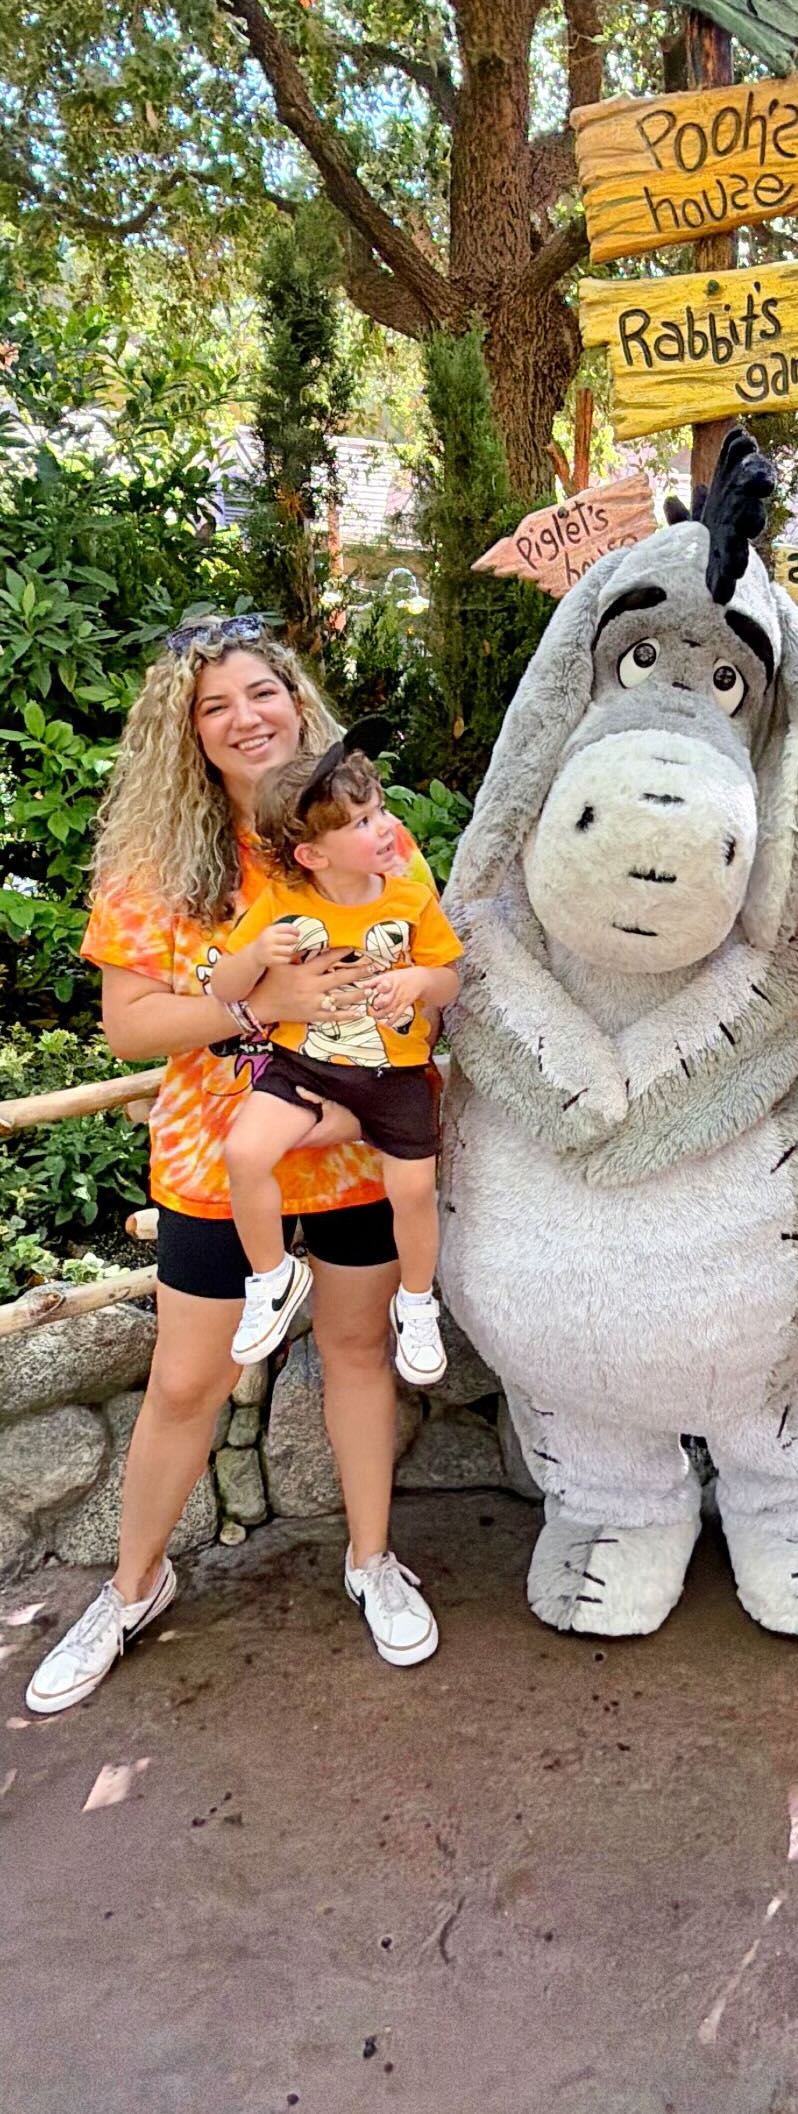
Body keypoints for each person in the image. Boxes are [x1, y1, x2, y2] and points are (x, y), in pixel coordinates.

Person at [26, 615, 441, 1716]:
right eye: (216, 706)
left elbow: (430, 967)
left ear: (298, 700)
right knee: (183, 1381)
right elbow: (129, 1028)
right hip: (223, 1153)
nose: (245, 717)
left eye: (262, 692)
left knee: (358, 1350)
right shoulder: (160, 861)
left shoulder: (368, 827)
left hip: (352, 1140)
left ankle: (370, 1558)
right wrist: (248, 1001)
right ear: (189, 735)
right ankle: (130, 1588)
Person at [213, 738, 461, 1386]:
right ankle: (272, 1275)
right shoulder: (283, 907)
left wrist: (418, 985)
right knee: (243, 1153)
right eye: (361, 823)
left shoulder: (408, 899)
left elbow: (450, 981)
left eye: (378, 812)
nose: (383, 830)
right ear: (312, 854)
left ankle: (416, 1301)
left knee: (411, 1192)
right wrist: (257, 953)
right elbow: (225, 989)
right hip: (304, 1063)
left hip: (396, 1073)